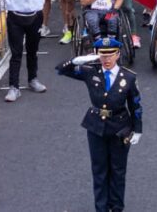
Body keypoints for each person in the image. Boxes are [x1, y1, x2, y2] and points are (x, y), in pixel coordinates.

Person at [56, 37, 142, 212]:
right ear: (97, 55)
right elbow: (61, 70)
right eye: (103, 55)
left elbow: (136, 106)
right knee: (99, 170)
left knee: (118, 171)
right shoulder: (91, 72)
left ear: (118, 55)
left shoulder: (129, 77)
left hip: (120, 127)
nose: (107, 59)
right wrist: (76, 60)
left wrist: (138, 130)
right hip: (96, 126)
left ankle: (117, 207)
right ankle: (101, 208)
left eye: (111, 55)